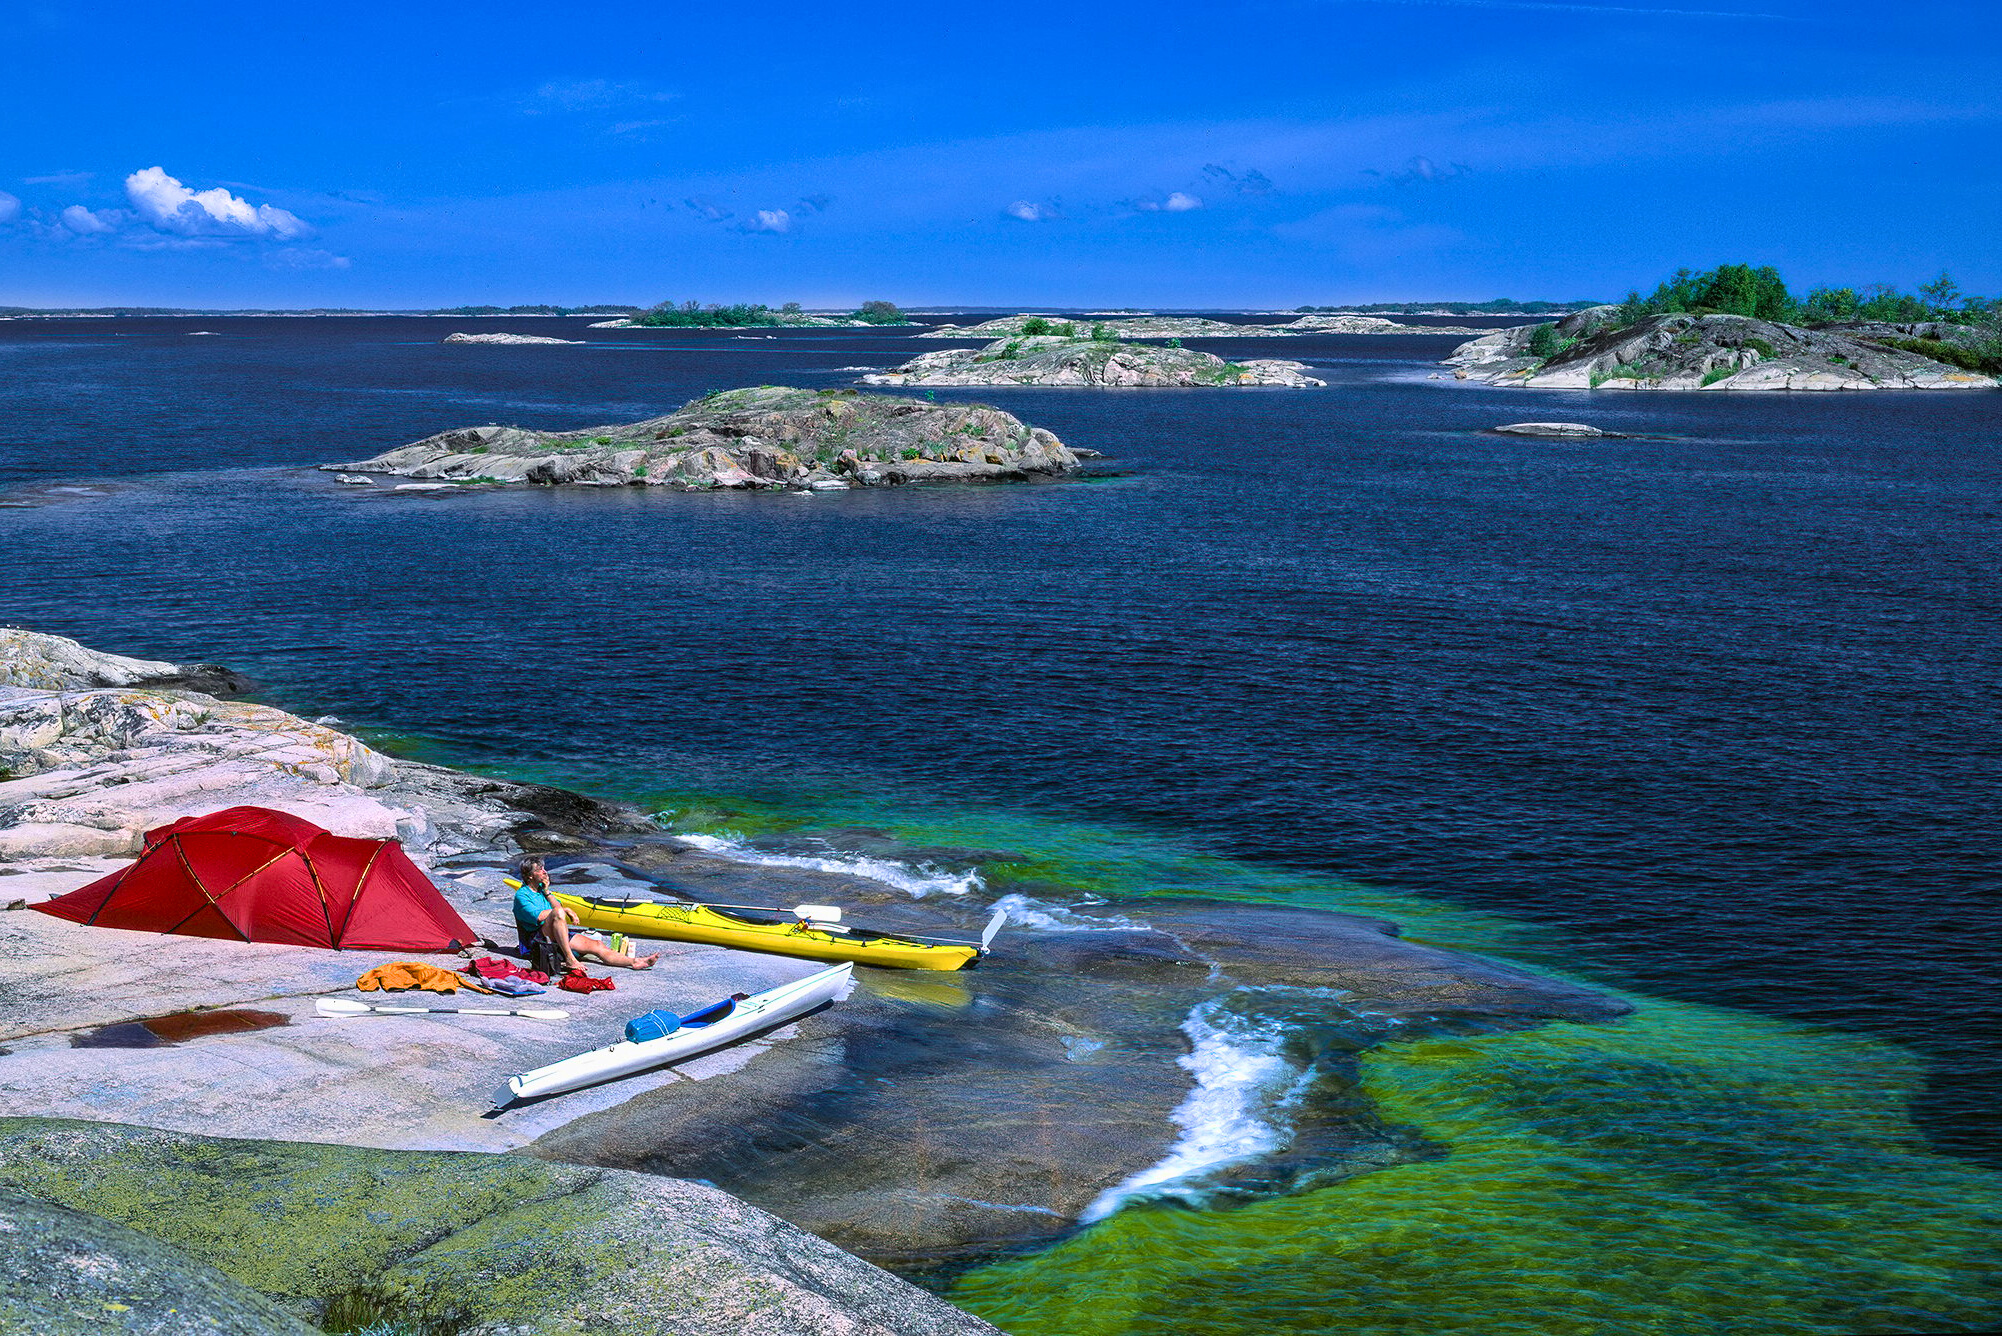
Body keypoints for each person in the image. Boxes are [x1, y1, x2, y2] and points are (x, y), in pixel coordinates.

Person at [511, 857, 659, 971]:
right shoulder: (522, 895)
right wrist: (566, 910)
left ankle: (635, 962)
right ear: (530, 876)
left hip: (553, 934)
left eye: (544, 868)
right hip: (535, 943)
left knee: (597, 945)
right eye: (540, 870)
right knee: (558, 912)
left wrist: (547, 891)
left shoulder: (541, 891)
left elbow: (557, 907)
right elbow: (540, 916)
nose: (545, 872)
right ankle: (569, 959)